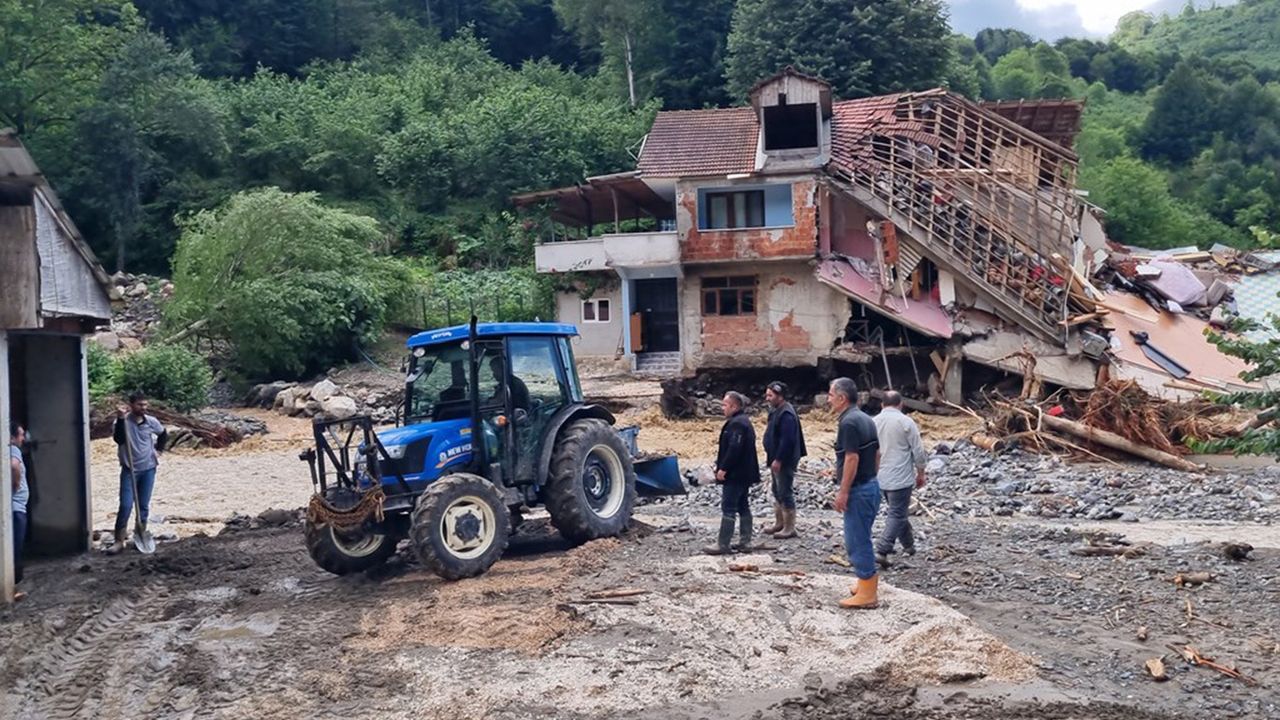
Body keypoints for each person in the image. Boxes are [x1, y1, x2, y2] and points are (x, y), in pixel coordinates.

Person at [829, 377, 882, 609]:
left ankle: (868, 593)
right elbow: (877, 453)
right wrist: (871, 475)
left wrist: (843, 491)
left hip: (859, 489)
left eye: (831, 395)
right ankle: (864, 583)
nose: (828, 399)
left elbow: (852, 458)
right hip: (871, 484)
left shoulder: (848, 423)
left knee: (856, 540)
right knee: (863, 536)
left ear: (842, 398)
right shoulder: (865, 418)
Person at [873, 391, 927, 566]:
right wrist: (921, 472)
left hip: (880, 475)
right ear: (901, 404)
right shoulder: (906, 422)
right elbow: (918, 450)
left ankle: (909, 545)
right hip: (901, 475)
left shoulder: (873, 422)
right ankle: (883, 548)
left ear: (882, 404)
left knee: (898, 511)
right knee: (897, 513)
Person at [109, 393, 167, 555]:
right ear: (131, 405)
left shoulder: (151, 421)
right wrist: (121, 418)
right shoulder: (122, 422)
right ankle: (119, 540)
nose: (143, 408)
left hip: (148, 468)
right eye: (140, 405)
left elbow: (163, 434)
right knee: (126, 505)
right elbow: (119, 439)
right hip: (130, 469)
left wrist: (159, 450)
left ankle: (140, 534)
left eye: (145, 405)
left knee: (143, 506)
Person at [703, 391, 760, 555]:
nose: (722, 408)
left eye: (725, 405)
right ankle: (745, 541)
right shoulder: (742, 421)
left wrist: (724, 468)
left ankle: (723, 543)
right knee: (743, 505)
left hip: (736, 473)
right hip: (745, 472)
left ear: (734, 406)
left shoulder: (737, 424)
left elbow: (735, 448)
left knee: (728, 506)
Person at [761, 381, 806, 539]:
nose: (767, 398)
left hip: (784, 460)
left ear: (780, 396)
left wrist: (779, 459)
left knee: (785, 491)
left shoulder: (786, 414)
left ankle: (789, 527)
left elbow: (788, 440)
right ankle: (779, 523)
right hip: (775, 458)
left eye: (770, 395)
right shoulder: (776, 410)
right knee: (776, 490)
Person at [9, 424, 28, 600]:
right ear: (12, 437)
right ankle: (12, 589)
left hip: (15, 507)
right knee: (15, 548)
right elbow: (14, 466)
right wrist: (14, 485)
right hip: (16, 508)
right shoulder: (13, 449)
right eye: (21, 435)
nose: (23, 438)